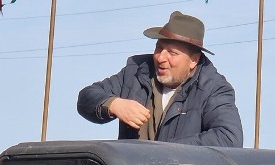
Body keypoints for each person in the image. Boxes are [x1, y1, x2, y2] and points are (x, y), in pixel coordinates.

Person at [77, 11, 243, 147]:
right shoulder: (135, 72)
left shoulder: (214, 88)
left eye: (172, 53)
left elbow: (229, 138)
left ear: (194, 60)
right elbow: (86, 97)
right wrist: (114, 104)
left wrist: (166, 152)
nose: (161, 57)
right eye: (159, 48)